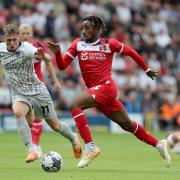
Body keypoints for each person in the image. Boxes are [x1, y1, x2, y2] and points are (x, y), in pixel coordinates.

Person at [47, 16, 171, 168]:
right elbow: (62, 66)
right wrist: (58, 52)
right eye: (82, 28)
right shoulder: (77, 44)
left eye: (87, 28)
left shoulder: (109, 44)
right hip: (98, 92)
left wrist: (146, 69)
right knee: (127, 125)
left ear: (97, 29)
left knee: (75, 105)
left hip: (106, 87)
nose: (83, 31)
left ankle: (91, 147)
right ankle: (158, 144)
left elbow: (131, 52)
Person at [0, 24, 82, 163]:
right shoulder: (1, 49)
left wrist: (45, 57)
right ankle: (32, 149)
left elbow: (47, 59)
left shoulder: (26, 48)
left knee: (55, 126)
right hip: (19, 93)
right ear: (4, 39)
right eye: (9, 40)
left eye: (14, 39)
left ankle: (73, 138)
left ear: (18, 38)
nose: (12, 43)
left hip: (37, 92)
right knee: (18, 112)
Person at [19, 23, 61, 158]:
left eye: (28, 33)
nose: (25, 36)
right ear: (19, 35)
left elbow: (48, 62)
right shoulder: (15, 49)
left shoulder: (39, 47)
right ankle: (34, 144)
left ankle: (36, 145)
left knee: (40, 115)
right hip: (21, 87)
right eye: (23, 33)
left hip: (37, 87)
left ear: (32, 34)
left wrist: (55, 80)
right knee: (28, 119)